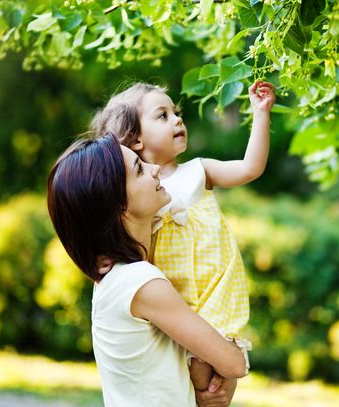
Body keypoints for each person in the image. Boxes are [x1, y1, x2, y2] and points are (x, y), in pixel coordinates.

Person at [91, 80, 276, 394]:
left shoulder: (199, 171)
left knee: (210, 383)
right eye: (162, 116)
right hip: (175, 302)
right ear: (134, 138)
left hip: (213, 293)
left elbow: (249, 169)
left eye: (176, 112)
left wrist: (261, 115)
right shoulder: (134, 196)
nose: (177, 119)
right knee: (193, 382)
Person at [47, 133, 247, 407]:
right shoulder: (140, 282)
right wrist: (229, 368)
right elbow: (233, 363)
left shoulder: (119, 279)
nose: (155, 169)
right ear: (120, 206)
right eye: (139, 168)